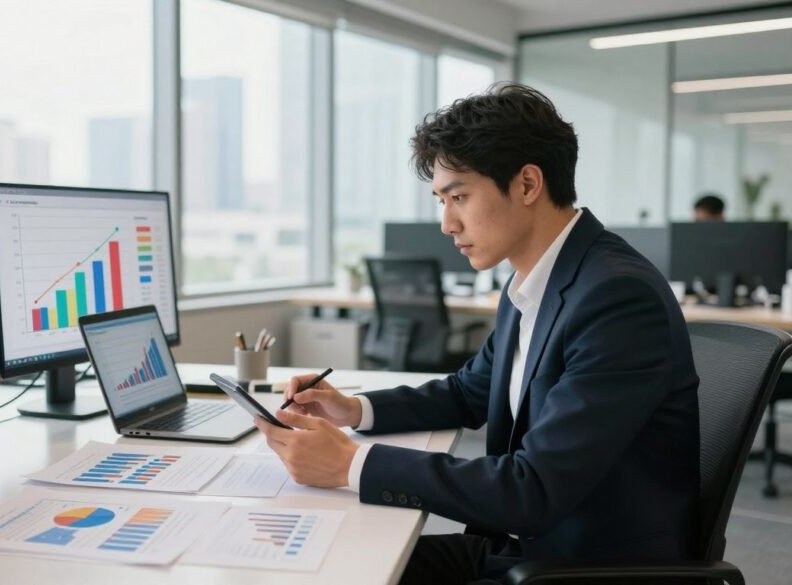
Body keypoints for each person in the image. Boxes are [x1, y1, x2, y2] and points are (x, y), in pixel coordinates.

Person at [255, 83, 700, 584]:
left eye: (459, 197)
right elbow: (472, 390)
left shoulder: (616, 297)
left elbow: (532, 491)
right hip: (522, 548)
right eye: (441, 201)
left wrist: (350, 464)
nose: (447, 223)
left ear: (528, 185)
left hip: (579, 567)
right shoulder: (535, 278)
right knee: (321, 562)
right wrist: (354, 409)